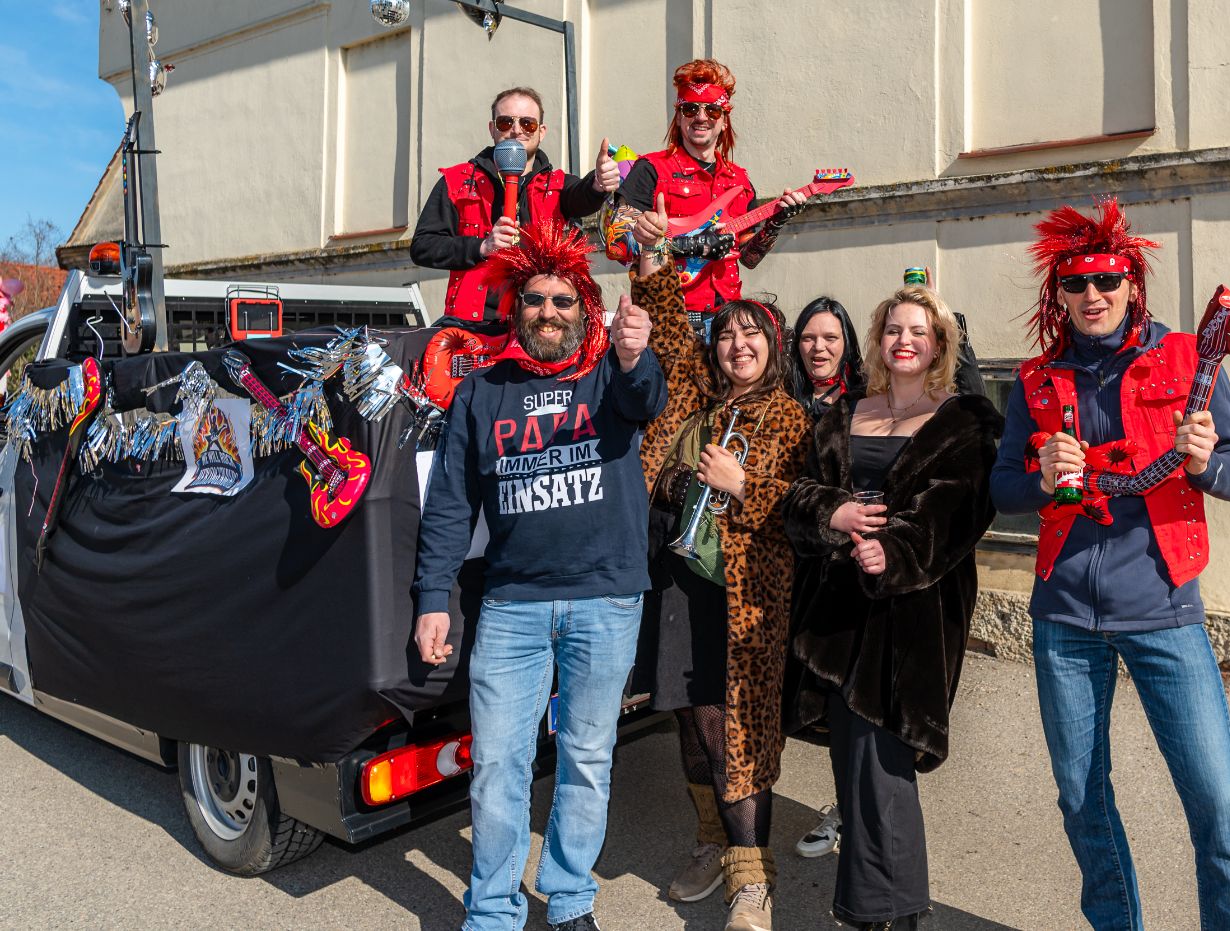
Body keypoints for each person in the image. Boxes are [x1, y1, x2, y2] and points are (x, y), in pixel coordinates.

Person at [990, 198, 1230, 930]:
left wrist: (1205, 464)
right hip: (1064, 618)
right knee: (1083, 800)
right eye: (1076, 284)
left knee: (1218, 802)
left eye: (1107, 280)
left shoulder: (1189, 360)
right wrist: (1042, 476)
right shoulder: (1035, 380)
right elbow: (1002, 488)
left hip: (1163, 608)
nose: (1093, 295)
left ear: (1131, 283)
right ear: (1059, 295)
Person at [411, 220, 666, 931]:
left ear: (584, 307)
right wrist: (432, 597)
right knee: (498, 763)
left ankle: (570, 898)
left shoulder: (610, 372)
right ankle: (493, 910)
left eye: (562, 299)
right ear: (514, 307)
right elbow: (450, 504)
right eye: (534, 299)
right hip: (512, 604)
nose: (548, 311)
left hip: (606, 599)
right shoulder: (480, 392)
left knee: (587, 757)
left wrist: (635, 353)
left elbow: (647, 400)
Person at [782, 285, 1001, 930]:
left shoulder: (966, 419)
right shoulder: (844, 413)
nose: (905, 341)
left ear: (940, 345)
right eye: (893, 330)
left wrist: (895, 551)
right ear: (877, 342)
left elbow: (959, 509)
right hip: (838, 613)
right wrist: (834, 514)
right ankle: (869, 909)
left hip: (914, 615)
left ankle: (891, 914)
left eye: (918, 331)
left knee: (884, 767)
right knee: (855, 766)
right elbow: (799, 493)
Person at [629, 211, 812, 931]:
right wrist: (653, 253)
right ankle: (712, 840)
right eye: (729, 334)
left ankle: (752, 879)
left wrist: (741, 485)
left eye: (752, 334)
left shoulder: (790, 418)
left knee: (737, 732)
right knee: (689, 716)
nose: (738, 344)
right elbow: (670, 328)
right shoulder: (699, 397)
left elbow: (796, 507)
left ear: (773, 347)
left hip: (744, 593)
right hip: (681, 582)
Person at [605, 59, 807, 336]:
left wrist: (776, 222)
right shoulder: (650, 169)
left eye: (712, 110)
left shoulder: (740, 181)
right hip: (666, 319)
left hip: (727, 323)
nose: (701, 117)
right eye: (690, 109)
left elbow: (748, 258)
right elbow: (617, 244)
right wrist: (690, 245)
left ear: (724, 121)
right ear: (679, 117)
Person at [410, 86, 620, 325]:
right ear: (492, 129)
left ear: (541, 131)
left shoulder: (558, 184)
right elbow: (423, 246)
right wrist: (482, 246)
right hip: (476, 324)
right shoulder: (458, 181)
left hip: (542, 323)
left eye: (528, 123)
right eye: (505, 122)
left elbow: (582, 196)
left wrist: (599, 182)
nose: (516, 130)